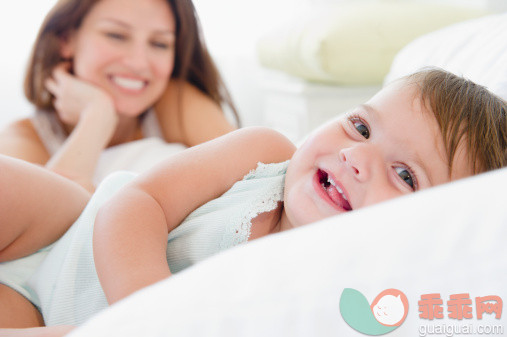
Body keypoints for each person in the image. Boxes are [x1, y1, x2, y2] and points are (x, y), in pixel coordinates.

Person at [0, 69, 505, 336]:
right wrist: (148, 316)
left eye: (404, 174)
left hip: (58, 319)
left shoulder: (332, 298)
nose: (356, 157)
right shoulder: (265, 155)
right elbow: (136, 203)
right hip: (65, 228)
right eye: (361, 126)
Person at [0, 0, 239, 192]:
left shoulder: (173, 102)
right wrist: (97, 117)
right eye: (116, 35)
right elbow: (48, 231)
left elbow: (255, 175)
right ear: (66, 39)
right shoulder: (21, 142)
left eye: (159, 43)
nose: (138, 63)